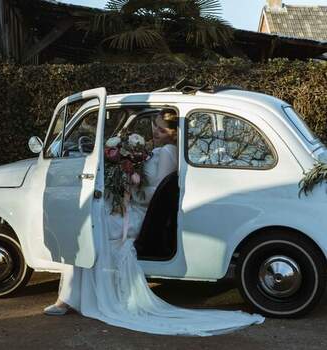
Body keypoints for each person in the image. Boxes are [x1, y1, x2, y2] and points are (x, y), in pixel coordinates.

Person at [43, 109, 264, 336]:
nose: (156, 132)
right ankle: (72, 296)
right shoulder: (157, 151)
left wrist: (129, 182)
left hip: (141, 213)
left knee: (89, 226)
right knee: (87, 222)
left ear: (174, 133)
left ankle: (69, 298)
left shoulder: (168, 152)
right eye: (155, 126)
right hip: (132, 207)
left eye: (162, 129)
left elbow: (154, 194)